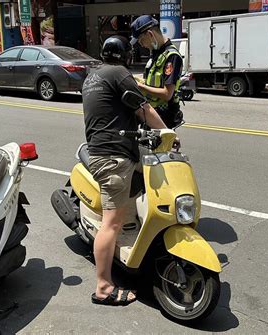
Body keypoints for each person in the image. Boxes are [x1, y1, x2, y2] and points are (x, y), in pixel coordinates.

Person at [83, 35, 167, 306]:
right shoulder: (119, 73)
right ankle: (104, 288)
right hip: (113, 157)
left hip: (99, 150)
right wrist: (166, 132)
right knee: (112, 223)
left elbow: (111, 110)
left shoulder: (93, 77)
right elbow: (143, 108)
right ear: (125, 56)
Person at [130, 15, 183, 128]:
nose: (141, 45)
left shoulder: (171, 57)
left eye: (141, 40)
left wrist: (140, 86)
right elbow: (154, 81)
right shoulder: (156, 53)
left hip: (164, 118)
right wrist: (141, 81)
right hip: (151, 114)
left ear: (150, 34)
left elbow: (167, 94)